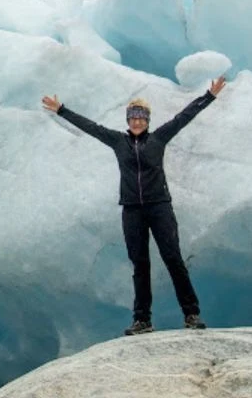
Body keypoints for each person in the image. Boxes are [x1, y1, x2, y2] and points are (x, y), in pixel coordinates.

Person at [41, 76, 226, 335]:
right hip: (132, 210)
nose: (137, 121)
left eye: (141, 117)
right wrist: (61, 110)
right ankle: (142, 320)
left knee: (173, 259)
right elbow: (91, 127)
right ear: (128, 120)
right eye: (133, 117)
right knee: (140, 264)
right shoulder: (118, 141)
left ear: (147, 121)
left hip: (160, 206)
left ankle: (191, 314)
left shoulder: (159, 138)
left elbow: (184, 117)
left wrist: (209, 96)